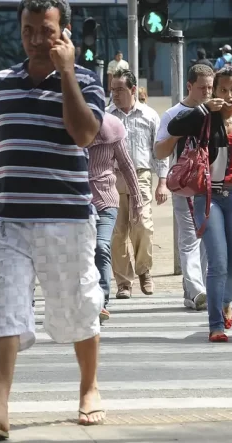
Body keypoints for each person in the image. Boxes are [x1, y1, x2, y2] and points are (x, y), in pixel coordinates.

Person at [0, 0, 107, 438]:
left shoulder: (87, 80)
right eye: (28, 31)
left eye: (46, 30)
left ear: (65, 32)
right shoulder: (0, 82)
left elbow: (83, 134)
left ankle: (89, 387)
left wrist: (66, 74)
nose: (36, 40)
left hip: (67, 219)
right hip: (10, 220)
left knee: (78, 304)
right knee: (2, 304)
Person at [166, 66, 232, 342]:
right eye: (223, 89)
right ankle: (216, 325)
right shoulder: (204, 118)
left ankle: (223, 301)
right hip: (208, 196)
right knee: (218, 263)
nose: (229, 95)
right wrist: (202, 109)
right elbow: (174, 127)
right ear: (214, 91)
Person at [155, 64, 214, 311]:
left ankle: (194, 292)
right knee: (189, 239)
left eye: (210, 87)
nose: (207, 93)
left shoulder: (215, 111)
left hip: (212, 185)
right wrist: (178, 132)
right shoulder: (173, 115)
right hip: (185, 185)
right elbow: (159, 151)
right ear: (189, 86)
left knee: (208, 239)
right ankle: (198, 290)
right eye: (202, 88)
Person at [107, 68, 169, 299]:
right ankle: (124, 282)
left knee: (143, 225)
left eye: (120, 89)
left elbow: (160, 152)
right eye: (112, 89)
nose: (115, 94)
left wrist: (162, 181)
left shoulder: (150, 115)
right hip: (112, 178)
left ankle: (144, 270)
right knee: (117, 231)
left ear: (133, 90)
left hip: (141, 175)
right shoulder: (107, 116)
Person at [86, 111, 142, 321]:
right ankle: (82, 300)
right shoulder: (65, 124)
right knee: (81, 253)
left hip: (105, 199)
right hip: (76, 201)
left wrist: (137, 198)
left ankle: (101, 302)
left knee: (101, 246)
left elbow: (127, 165)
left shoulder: (111, 126)